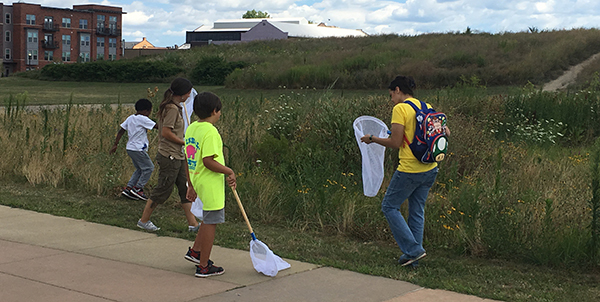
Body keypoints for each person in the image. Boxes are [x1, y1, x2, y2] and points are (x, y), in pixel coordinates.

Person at [360, 75, 448, 267]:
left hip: (409, 169)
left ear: (398, 90)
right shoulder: (426, 106)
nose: (391, 99)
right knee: (417, 211)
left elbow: (395, 143)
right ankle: (413, 258)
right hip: (430, 168)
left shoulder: (400, 108)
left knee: (389, 206)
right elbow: (443, 132)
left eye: (391, 94)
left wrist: (372, 138)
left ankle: (413, 249)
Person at [183, 91, 236, 277]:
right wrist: (228, 171)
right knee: (211, 222)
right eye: (219, 111)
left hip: (197, 180)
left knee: (207, 219)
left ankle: (196, 252)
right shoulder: (211, 132)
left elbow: (189, 159)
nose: (220, 114)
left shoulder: (192, 128)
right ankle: (204, 266)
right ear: (214, 111)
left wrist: (190, 184)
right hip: (210, 185)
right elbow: (208, 161)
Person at [136, 78, 199, 232]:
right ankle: (144, 220)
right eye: (189, 92)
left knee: (185, 189)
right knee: (163, 189)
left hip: (178, 155)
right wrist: (184, 142)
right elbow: (166, 132)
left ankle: (193, 224)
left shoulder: (177, 107)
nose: (190, 95)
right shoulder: (171, 108)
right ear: (183, 94)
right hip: (169, 155)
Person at [109, 98, 157, 200]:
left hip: (130, 148)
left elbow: (121, 131)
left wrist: (115, 144)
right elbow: (157, 126)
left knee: (139, 169)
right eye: (149, 112)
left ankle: (129, 188)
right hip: (138, 149)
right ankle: (138, 189)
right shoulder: (143, 118)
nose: (149, 114)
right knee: (149, 168)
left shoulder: (130, 118)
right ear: (146, 111)